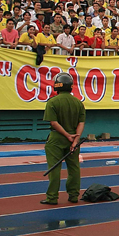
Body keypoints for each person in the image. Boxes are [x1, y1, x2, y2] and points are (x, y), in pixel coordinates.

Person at [41, 73, 85, 205]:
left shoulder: (53, 102)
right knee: (74, 168)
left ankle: (52, 197)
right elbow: (81, 123)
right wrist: (75, 140)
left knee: (54, 169)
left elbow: (53, 123)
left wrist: (66, 135)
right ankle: (73, 195)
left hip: (57, 138)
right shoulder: (78, 103)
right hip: (74, 138)